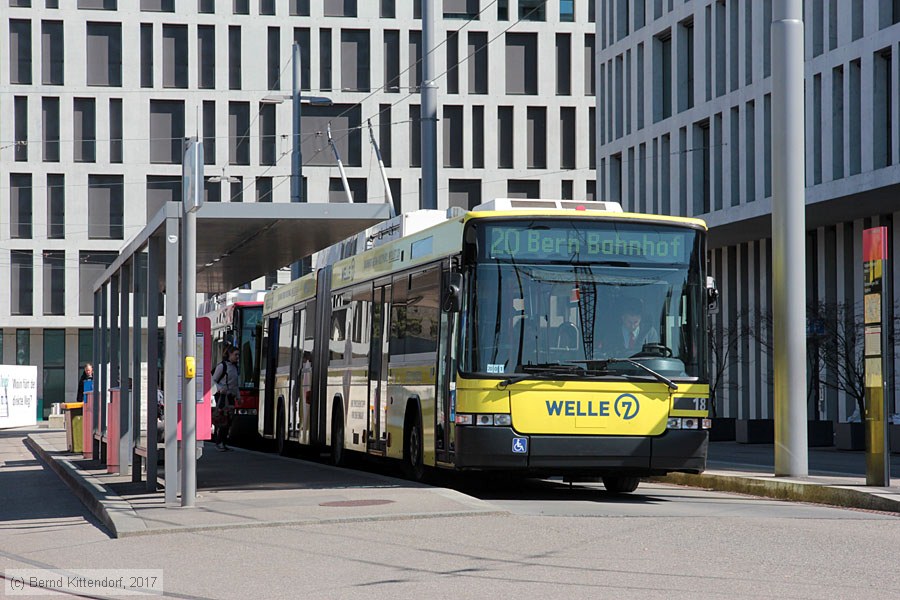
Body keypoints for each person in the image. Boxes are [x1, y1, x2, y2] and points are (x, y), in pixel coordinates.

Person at [211, 346, 240, 451]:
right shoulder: (222, 366)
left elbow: (235, 385)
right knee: (223, 420)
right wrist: (219, 389)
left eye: (238, 355)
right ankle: (219, 442)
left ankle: (223, 442)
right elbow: (213, 380)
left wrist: (238, 397)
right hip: (223, 397)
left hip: (230, 397)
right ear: (229, 354)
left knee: (229, 420)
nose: (237, 357)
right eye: (235, 354)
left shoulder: (235, 367)